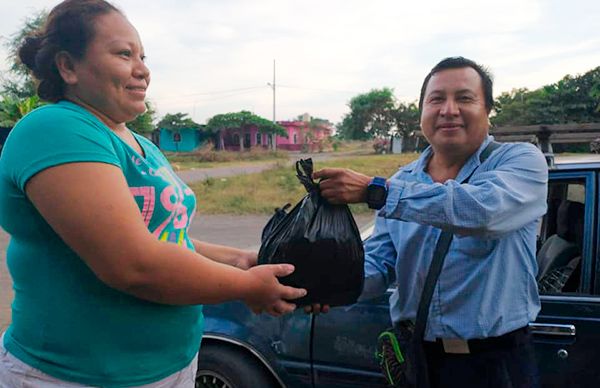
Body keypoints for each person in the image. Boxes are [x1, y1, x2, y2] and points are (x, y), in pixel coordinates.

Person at [0, 0, 306, 386]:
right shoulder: (56, 128)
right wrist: (247, 287)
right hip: (74, 375)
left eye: (142, 56)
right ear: (68, 66)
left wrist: (239, 260)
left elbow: (165, 238)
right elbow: (133, 263)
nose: (143, 70)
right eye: (123, 54)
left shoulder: (142, 144)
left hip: (171, 364)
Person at [311, 57, 548, 387]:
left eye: (464, 98)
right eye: (436, 99)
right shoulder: (403, 178)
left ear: (488, 109)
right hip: (418, 360)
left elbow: (482, 212)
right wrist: (325, 286)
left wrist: (375, 191)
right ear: (421, 111)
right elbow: (379, 264)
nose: (448, 110)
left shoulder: (520, 162)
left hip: (495, 364)